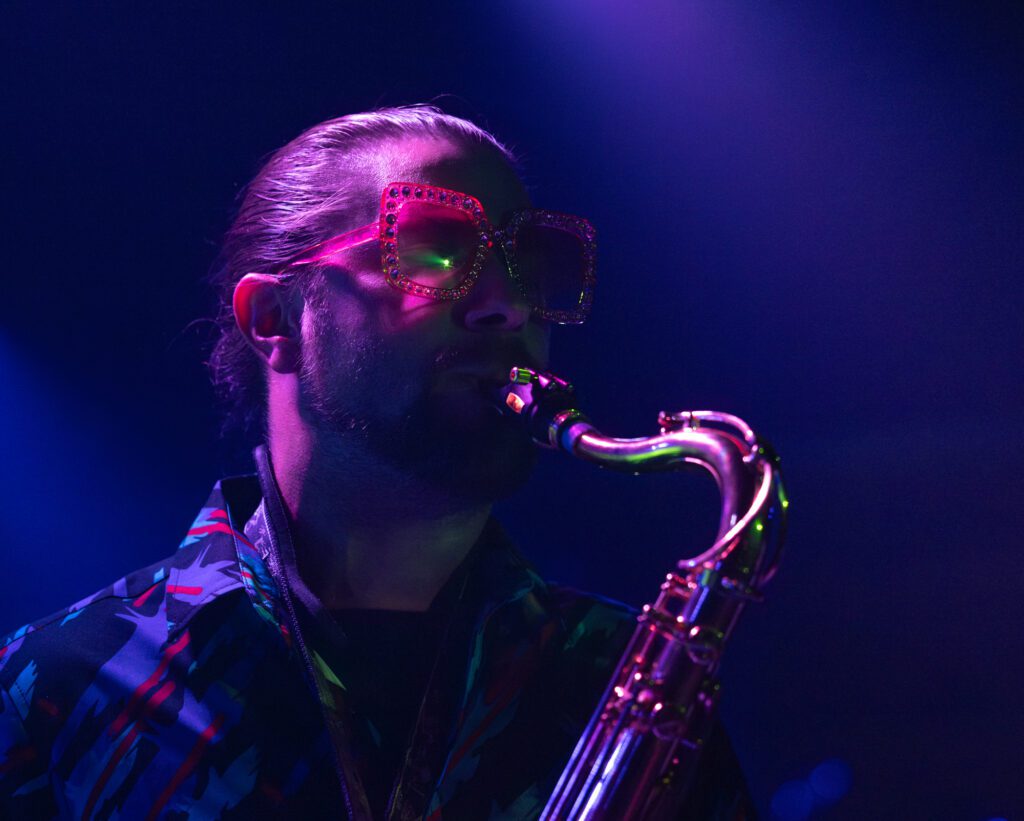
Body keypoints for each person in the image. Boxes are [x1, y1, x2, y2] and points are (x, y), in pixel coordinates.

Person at [0, 107, 755, 819]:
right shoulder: (55, 686)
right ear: (275, 321)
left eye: (527, 261)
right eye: (437, 247)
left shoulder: (627, 680)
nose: (510, 304)